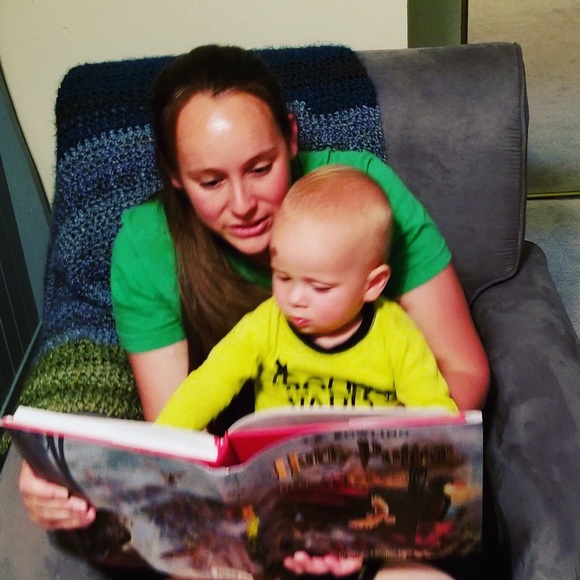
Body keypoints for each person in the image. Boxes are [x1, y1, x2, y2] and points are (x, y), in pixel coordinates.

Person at [18, 44, 488, 578]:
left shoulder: (361, 199)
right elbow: (175, 430)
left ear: (291, 138)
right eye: (211, 181)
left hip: (379, 499)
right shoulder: (149, 246)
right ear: (173, 173)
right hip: (257, 517)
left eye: (261, 168)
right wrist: (70, 479)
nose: (242, 205)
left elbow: (463, 367)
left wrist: (373, 487)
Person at [156, 164, 458, 432]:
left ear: (372, 285)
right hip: (280, 467)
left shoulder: (396, 335)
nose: (295, 298)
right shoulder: (265, 324)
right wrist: (164, 438)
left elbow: (435, 413)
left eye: (320, 287)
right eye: (283, 277)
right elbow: (209, 383)